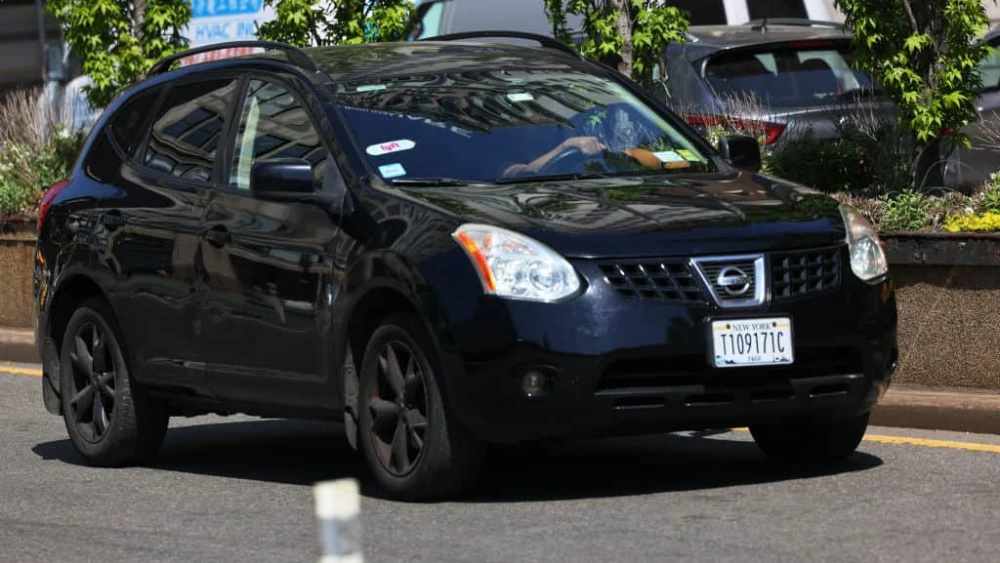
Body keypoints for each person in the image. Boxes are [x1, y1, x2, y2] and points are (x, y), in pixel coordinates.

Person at [502, 136, 607, 177]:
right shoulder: (503, 145)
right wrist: (563, 147)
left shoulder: (566, 130)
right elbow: (519, 174)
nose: (537, 117)